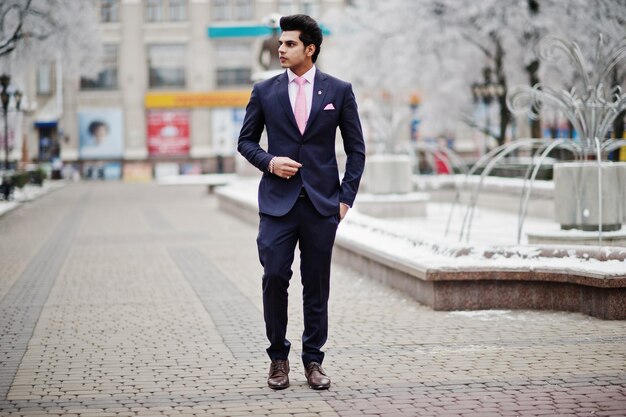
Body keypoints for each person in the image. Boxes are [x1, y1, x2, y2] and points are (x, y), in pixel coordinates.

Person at [237, 14, 365, 390]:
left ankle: (313, 360)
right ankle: (278, 358)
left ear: (310, 49)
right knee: (274, 276)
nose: (280, 48)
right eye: (280, 43)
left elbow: (356, 150)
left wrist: (345, 200)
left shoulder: (339, 91)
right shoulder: (264, 91)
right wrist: (270, 162)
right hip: (277, 205)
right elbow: (246, 142)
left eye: (290, 43)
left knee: (316, 285)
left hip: (322, 206)